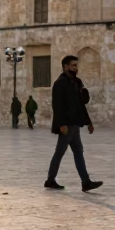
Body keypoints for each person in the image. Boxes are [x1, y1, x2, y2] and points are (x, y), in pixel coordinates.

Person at [45, 55, 102, 192]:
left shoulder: (77, 82)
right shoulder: (60, 83)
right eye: (73, 65)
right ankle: (53, 180)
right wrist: (61, 124)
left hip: (75, 124)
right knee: (62, 152)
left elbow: (80, 104)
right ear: (65, 66)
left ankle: (84, 182)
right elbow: (57, 106)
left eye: (76, 65)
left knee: (76, 152)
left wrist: (88, 122)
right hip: (67, 125)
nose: (76, 68)